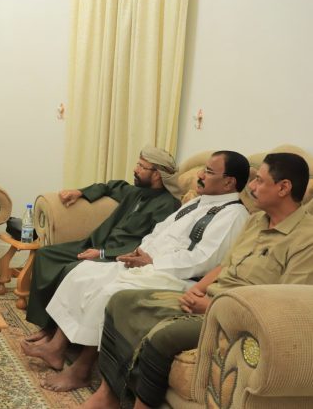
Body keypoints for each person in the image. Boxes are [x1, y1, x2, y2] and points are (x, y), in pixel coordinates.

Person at [84, 152, 313, 409]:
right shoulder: (256, 220)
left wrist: (213, 307)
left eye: (259, 180)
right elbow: (224, 265)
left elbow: (286, 306)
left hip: (236, 317)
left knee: (162, 336)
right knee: (121, 302)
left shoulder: (306, 238)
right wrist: (198, 290)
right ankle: (108, 394)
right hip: (209, 299)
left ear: (283, 187)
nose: (251, 186)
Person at [23, 151, 250, 392]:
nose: (200, 175)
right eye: (203, 169)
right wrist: (139, 252)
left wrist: (153, 261)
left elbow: (203, 260)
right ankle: (56, 347)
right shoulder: (197, 202)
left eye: (209, 172)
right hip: (149, 264)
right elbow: (160, 231)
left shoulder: (234, 215)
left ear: (229, 182)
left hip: (177, 277)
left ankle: (81, 370)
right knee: (83, 273)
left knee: (110, 292)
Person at [24, 146, 181, 339]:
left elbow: (149, 244)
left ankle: (59, 332)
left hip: (116, 256)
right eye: (137, 164)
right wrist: (80, 192)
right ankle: (45, 325)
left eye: (142, 166)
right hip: (96, 244)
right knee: (45, 254)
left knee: (73, 269)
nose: (135, 169)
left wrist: (102, 254)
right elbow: (111, 187)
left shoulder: (168, 205)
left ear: (157, 174)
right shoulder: (136, 192)